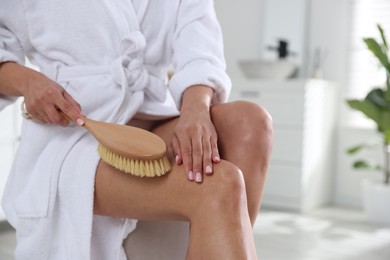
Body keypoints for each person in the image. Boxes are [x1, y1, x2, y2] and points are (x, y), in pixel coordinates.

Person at [0, 0, 272, 259]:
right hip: (77, 130)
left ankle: (217, 240)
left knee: (250, 123)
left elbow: (201, 45)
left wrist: (195, 109)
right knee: (220, 185)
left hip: (155, 114)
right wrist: (28, 82)